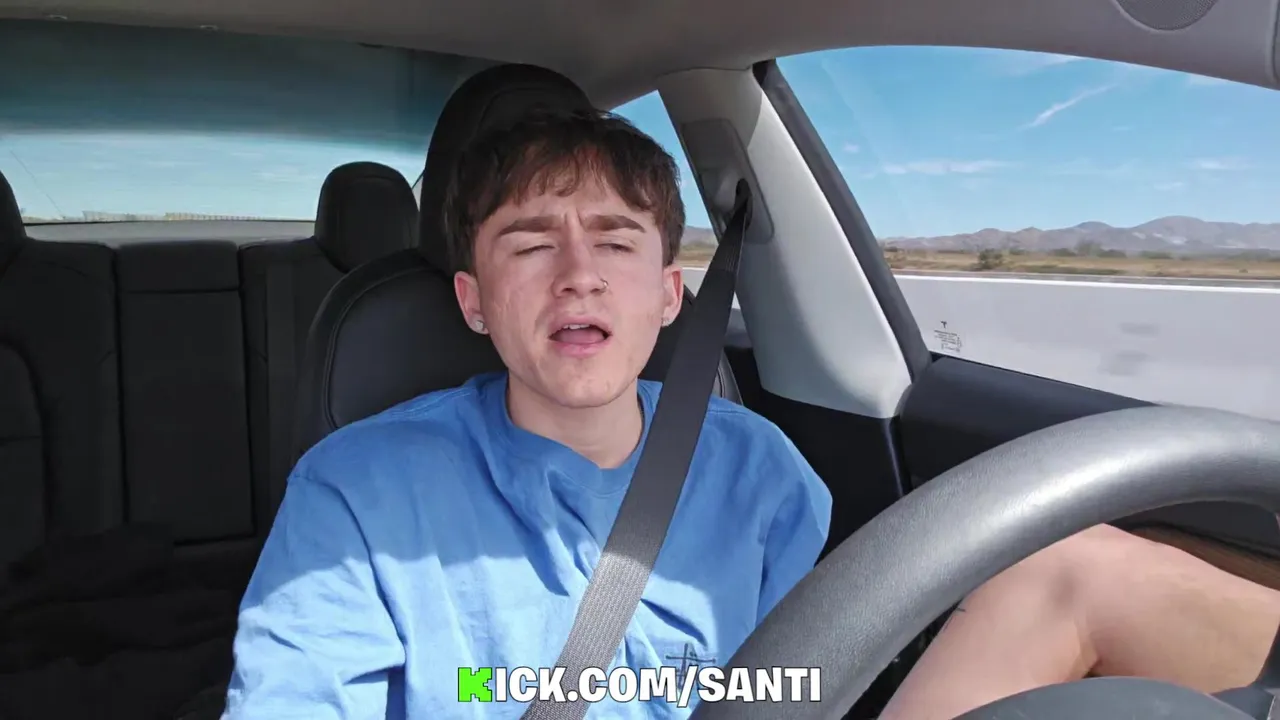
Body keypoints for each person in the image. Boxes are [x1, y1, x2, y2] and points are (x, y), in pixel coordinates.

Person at [221, 106, 1280, 720]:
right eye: (532, 244)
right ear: (473, 301)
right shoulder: (358, 491)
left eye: (616, 242)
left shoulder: (756, 466)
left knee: (1081, 568)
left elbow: (804, 678)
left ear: (666, 295)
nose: (579, 274)